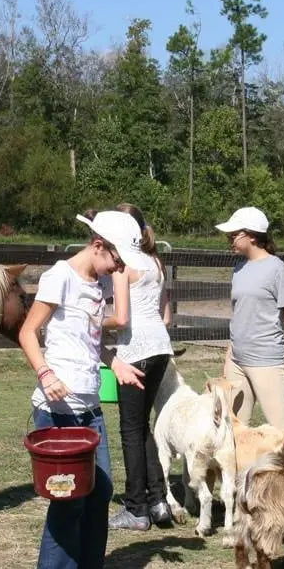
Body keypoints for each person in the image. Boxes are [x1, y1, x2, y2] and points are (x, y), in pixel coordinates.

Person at [18, 210, 147, 569]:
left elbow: (90, 340)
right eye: (117, 260)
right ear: (97, 245)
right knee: (67, 502)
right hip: (58, 413)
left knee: (98, 496)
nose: (119, 269)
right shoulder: (60, 276)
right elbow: (27, 332)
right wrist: (45, 372)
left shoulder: (98, 283)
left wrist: (115, 361)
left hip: (89, 409)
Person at [215, 206, 284, 432]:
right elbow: (239, 315)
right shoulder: (239, 267)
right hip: (237, 360)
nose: (230, 240)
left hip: (266, 360)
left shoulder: (276, 269)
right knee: (233, 430)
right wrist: (229, 355)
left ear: (251, 236)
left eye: (234, 235)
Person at [104, 203, 175, 531]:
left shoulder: (122, 265)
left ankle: (136, 508)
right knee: (142, 426)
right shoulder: (156, 261)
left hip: (135, 350)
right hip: (161, 347)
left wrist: (92, 322)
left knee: (130, 430)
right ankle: (158, 500)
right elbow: (166, 316)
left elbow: (120, 318)